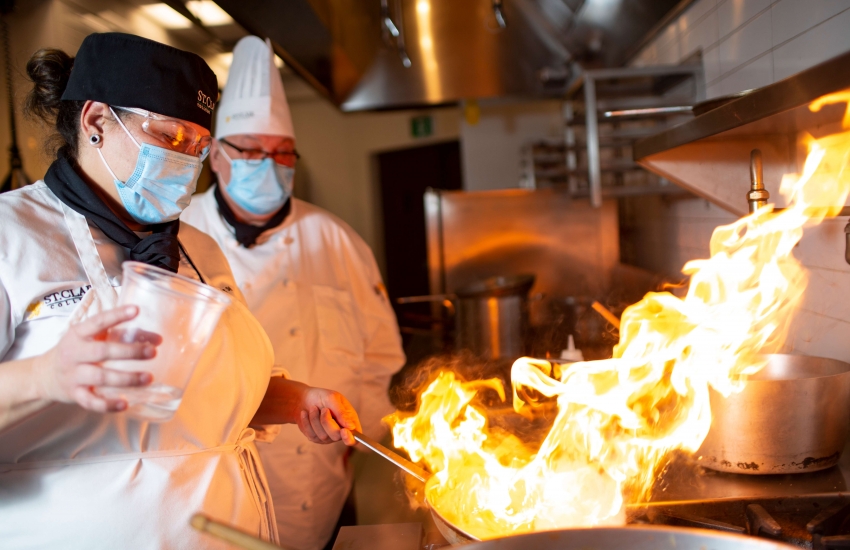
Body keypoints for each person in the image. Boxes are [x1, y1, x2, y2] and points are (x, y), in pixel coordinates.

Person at [0, 33, 363, 549]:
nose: (187, 161)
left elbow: (206, 394)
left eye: (198, 146)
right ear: (96, 121)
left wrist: (296, 399)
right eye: (170, 136)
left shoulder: (196, 248)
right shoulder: (11, 236)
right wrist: (45, 375)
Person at [181, 36, 405, 550]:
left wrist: (361, 436)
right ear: (216, 156)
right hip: (215, 485)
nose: (269, 163)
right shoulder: (177, 237)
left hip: (319, 481)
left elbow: (380, 358)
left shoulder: (337, 239)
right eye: (251, 150)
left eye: (282, 152)